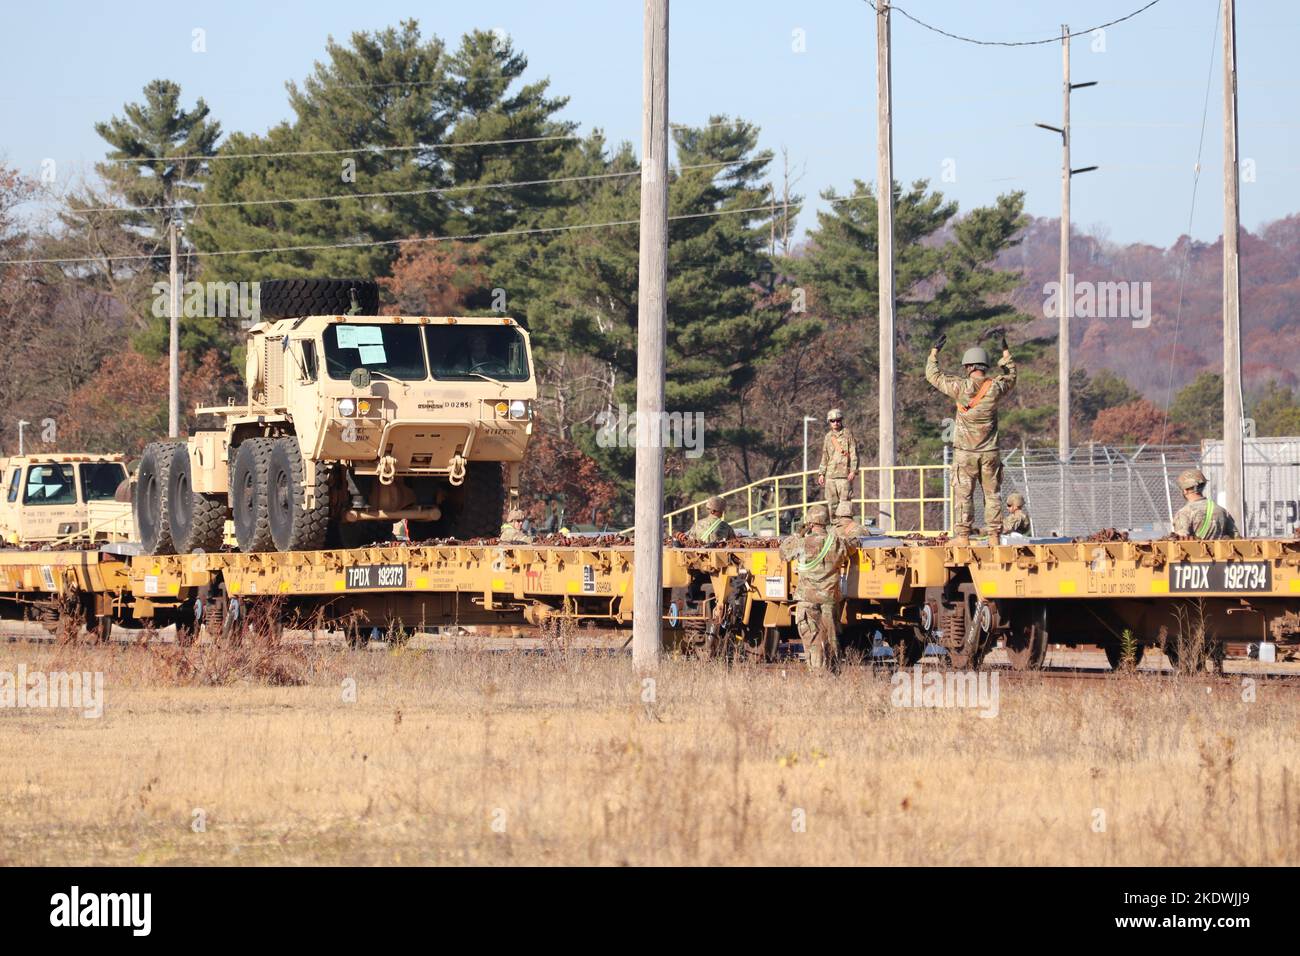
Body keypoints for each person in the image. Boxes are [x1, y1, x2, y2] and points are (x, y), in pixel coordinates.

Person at [926, 331, 1017, 546]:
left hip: (965, 454)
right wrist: (1005, 354)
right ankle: (994, 536)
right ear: (984, 366)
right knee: (992, 494)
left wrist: (934, 352)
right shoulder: (995, 388)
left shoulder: (961, 387)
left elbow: (933, 375)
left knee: (963, 496)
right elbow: (1011, 377)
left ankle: (963, 537)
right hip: (989, 453)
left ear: (968, 367)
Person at [779, 504, 849, 671]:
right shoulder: (837, 543)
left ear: (810, 523)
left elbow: (783, 553)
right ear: (826, 522)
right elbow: (847, 553)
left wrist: (797, 534)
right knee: (831, 639)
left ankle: (817, 675)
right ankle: (833, 673)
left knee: (812, 639)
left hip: (807, 599)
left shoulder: (802, 543)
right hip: (829, 600)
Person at [1171, 469, 1237, 539]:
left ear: (1184, 490)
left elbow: (1182, 542)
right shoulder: (1222, 511)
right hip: (1220, 550)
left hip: (1197, 550)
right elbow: (1235, 537)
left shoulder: (1184, 513)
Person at [817, 408, 858, 514]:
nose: (836, 423)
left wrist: (853, 471)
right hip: (830, 476)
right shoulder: (828, 437)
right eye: (832, 421)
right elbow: (825, 456)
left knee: (845, 505)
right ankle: (835, 527)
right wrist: (821, 474)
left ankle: (843, 527)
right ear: (829, 422)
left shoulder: (848, 434)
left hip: (844, 475)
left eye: (838, 420)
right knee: (832, 505)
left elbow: (853, 453)